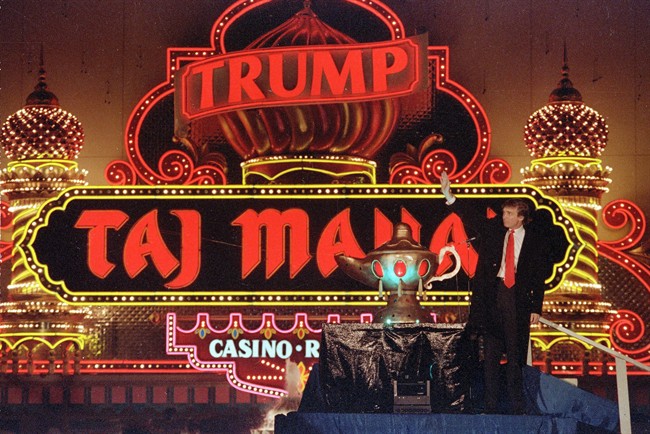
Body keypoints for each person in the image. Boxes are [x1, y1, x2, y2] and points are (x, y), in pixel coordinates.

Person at [440, 171, 549, 414]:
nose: (504, 217)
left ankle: (516, 407)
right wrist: (449, 196)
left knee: (514, 354)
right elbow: (469, 216)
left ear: (521, 217)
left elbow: (538, 276)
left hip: (517, 300)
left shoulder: (534, 240)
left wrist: (535, 308)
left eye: (509, 214)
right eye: (504, 212)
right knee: (490, 353)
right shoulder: (493, 230)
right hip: (493, 295)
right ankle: (489, 406)